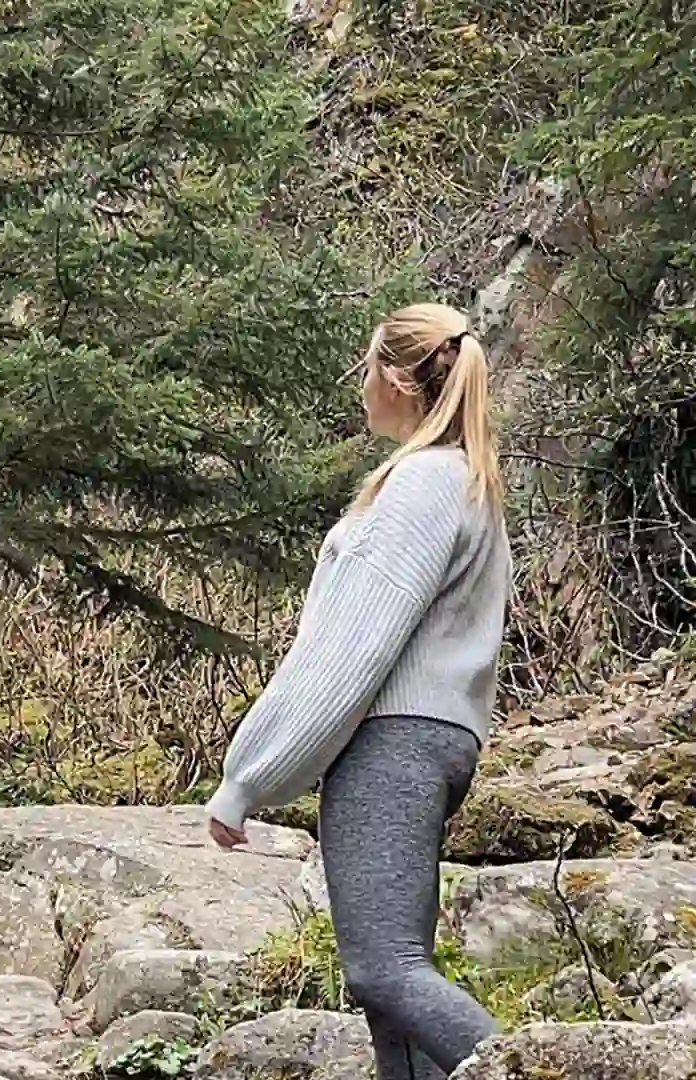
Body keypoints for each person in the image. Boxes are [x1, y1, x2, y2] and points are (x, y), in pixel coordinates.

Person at [205, 302, 510, 1079]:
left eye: (366, 367)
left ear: (402, 380)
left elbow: (345, 653)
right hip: (432, 741)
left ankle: (536, 1069)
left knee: (386, 969)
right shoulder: (462, 481)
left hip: (392, 743)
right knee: (391, 997)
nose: (361, 384)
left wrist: (248, 776)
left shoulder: (422, 485)